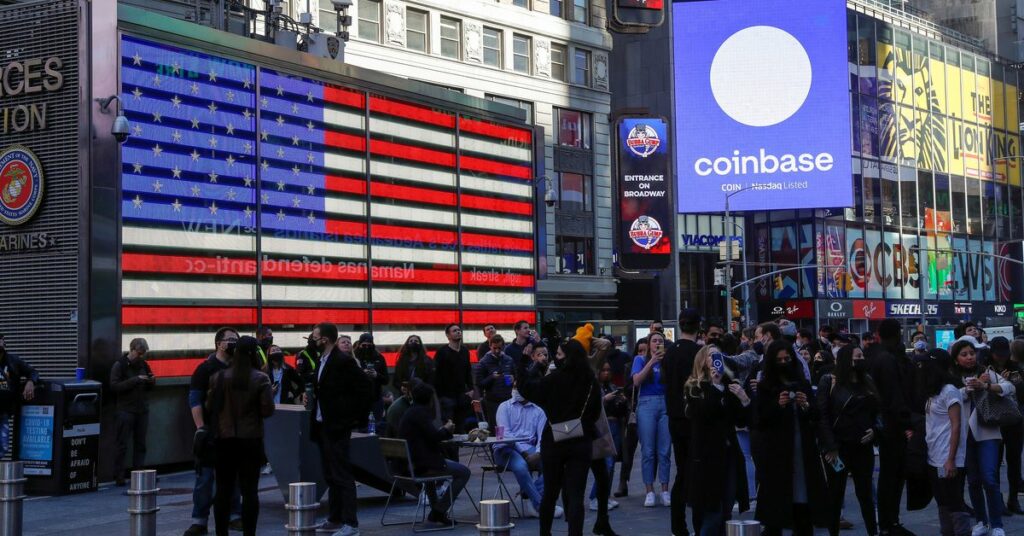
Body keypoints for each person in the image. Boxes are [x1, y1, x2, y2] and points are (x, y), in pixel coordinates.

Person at [518, 339, 601, 536]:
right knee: (576, 495)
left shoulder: (553, 379)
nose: (556, 357)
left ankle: (545, 533)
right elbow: (595, 413)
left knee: (550, 493)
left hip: (554, 439)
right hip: (580, 439)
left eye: (559, 354)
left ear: (567, 357)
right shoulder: (590, 380)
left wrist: (525, 363)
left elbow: (527, 389)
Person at [754, 340, 829, 535]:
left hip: (802, 448)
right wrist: (778, 405)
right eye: (779, 359)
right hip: (777, 451)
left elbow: (815, 414)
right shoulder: (765, 387)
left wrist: (805, 405)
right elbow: (760, 420)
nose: (784, 362)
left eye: (787, 358)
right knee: (778, 502)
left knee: (803, 498)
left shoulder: (802, 383)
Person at [206, 336, 274, 536]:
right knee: (250, 491)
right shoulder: (260, 378)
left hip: (224, 440)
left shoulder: (218, 377)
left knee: (223, 490)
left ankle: (221, 533)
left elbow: (210, 406)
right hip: (250, 439)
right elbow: (267, 410)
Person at [311, 323, 372, 536]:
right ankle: (334, 518)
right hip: (322, 425)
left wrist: (350, 418)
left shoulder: (343, 361)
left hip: (337, 426)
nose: (312, 339)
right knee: (330, 474)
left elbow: (365, 388)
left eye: (315, 336)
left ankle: (350, 523)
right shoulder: (322, 360)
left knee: (342, 474)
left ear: (325, 339)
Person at [950, 339, 1015, 536]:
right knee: (974, 481)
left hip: (987, 433)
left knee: (990, 478)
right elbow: (945, 401)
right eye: (964, 354)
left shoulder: (986, 373)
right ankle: (981, 521)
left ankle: (997, 524)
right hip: (963, 436)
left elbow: (1009, 388)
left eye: (972, 353)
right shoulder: (950, 378)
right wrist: (965, 391)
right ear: (956, 359)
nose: (969, 357)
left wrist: (986, 386)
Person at [684, 344, 751, 535]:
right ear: (702, 361)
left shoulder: (730, 386)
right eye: (711, 356)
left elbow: (740, 420)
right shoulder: (695, 387)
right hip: (706, 456)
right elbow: (703, 414)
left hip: (728, 453)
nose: (716, 359)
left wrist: (744, 399)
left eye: (718, 356)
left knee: (727, 508)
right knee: (712, 511)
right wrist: (714, 385)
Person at [818, 345, 881, 536]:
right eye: (857, 356)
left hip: (863, 446)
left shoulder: (867, 381)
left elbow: (878, 412)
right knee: (835, 494)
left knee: (866, 495)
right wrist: (830, 446)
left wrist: (875, 431)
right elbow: (822, 415)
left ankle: (873, 531)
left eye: (862, 355)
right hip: (838, 447)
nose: (861, 359)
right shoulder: (830, 381)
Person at [186, 328, 241, 536]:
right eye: (230, 340)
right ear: (219, 343)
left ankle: (235, 516)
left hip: (234, 431)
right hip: (210, 431)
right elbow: (195, 400)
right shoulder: (205, 369)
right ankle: (199, 520)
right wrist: (200, 428)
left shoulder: (239, 368)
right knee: (205, 478)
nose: (234, 344)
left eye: (236, 340)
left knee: (233, 476)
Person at [868, 319, 919, 536]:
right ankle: (890, 523)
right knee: (893, 475)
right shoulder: (889, 359)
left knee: (892, 474)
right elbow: (894, 395)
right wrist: (907, 423)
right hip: (893, 425)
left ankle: (889, 522)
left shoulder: (879, 356)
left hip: (887, 423)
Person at [397, 382, 470, 526]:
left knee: (434, 474)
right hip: (422, 464)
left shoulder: (410, 412)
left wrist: (443, 432)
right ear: (430, 399)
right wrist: (447, 429)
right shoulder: (421, 413)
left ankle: (437, 510)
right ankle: (439, 510)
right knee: (464, 472)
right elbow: (434, 437)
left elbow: (428, 435)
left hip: (407, 464)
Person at [492, 374, 562, 519]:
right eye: (514, 386)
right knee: (521, 466)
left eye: (519, 387)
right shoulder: (504, 407)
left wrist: (538, 453)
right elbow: (507, 435)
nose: (516, 390)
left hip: (530, 448)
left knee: (554, 463)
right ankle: (540, 505)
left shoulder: (538, 411)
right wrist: (524, 453)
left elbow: (542, 437)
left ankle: (530, 495)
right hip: (506, 448)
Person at [920, 359, 972, 536]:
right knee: (942, 500)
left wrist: (951, 459)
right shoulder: (933, 392)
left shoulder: (949, 391)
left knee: (954, 500)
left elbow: (956, 425)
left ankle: (962, 532)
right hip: (934, 455)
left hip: (948, 456)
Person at [661, 309, 702, 534]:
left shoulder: (670, 352)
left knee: (683, 470)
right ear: (698, 326)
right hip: (694, 416)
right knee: (695, 469)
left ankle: (678, 524)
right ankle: (697, 523)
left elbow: (665, 380)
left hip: (674, 416)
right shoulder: (699, 352)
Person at [631, 330, 672, 508]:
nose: (657, 344)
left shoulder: (667, 361)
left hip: (665, 403)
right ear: (648, 345)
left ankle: (664, 489)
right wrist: (652, 361)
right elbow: (637, 381)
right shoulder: (640, 360)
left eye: (660, 341)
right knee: (648, 451)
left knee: (664, 450)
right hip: (647, 403)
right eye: (654, 341)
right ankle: (649, 490)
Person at [110, 337, 155, 486]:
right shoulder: (120, 365)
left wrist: (151, 380)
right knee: (122, 444)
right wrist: (135, 380)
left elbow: (150, 385)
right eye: (139, 353)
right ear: (132, 349)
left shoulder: (144, 364)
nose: (141, 356)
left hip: (141, 409)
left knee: (140, 443)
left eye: (143, 354)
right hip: (125, 409)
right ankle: (119, 475)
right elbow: (114, 386)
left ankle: (138, 472)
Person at [989, 336, 1024, 514]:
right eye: (998, 355)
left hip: (1014, 420)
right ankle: (997, 501)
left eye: (1004, 355)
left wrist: (1014, 384)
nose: (1001, 358)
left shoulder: (1015, 368)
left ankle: (1013, 499)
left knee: (1014, 460)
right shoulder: (986, 368)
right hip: (994, 421)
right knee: (994, 462)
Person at [590, 362, 626, 513]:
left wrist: (621, 400)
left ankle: (604, 495)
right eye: (603, 370)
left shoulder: (611, 386)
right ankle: (594, 497)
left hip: (614, 424)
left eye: (608, 370)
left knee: (611, 465)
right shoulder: (594, 388)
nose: (606, 373)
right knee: (607, 464)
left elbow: (620, 410)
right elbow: (592, 407)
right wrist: (605, 399)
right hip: (601, 426)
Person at [615, 337, 647, 499]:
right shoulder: (630, 366)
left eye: (645, 351)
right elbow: (627, 388)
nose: (642, 354)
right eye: (639, 351)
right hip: (633, 411)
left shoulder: (653, 366)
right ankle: (623, 481)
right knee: (628, 447)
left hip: (649, 410)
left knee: (650, 450)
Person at [434, 324, 475, 432]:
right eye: (454, 331)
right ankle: (449, 449)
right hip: (446, 395)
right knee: (449, 425)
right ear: (448, 335)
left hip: (461, 394)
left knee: (460, 425)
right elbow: (436, 374)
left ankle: (457, 448)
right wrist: (440, 395)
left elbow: (468, 371)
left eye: (459, 330)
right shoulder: (442, 352)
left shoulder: (465, 351)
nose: (458, 332)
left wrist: (471, 389)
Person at [476, 334, 515, 427]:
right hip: (492, 401)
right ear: (490, 347)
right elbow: (479, 383)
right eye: (494, 348)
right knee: (495, 426)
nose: (497, 351)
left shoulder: (509, 360)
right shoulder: (483, 362)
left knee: (510, 425)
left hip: (508, 399)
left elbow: (516, 376)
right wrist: (491, 378)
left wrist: (513, 379)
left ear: (503, 346)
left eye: (499, 348)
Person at [354, 333, 389, 421]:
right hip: (358, 399)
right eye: (364, 345)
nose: (366, 347)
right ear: (359, 345)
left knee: (376, 425)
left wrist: (376, 375)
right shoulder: (354, 357)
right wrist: (362, 373)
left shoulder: (379, 358)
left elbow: (386, 379)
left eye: (369, 345)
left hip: (375, 398)